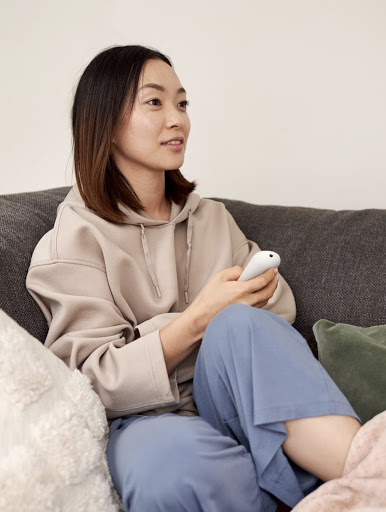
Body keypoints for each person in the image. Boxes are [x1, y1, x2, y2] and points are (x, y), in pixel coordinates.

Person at [26, 45, 361, 512]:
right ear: (105, 120)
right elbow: (89, 382)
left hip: (236, 404)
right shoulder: (71, 242)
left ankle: (370, 474)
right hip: (145, 424)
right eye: (155, 102)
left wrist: (230, 316)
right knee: (170, 466)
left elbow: (276, 318)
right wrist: (196, 320)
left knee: (239, 326)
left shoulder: (212, 219)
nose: (177, 119)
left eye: (182, 103)